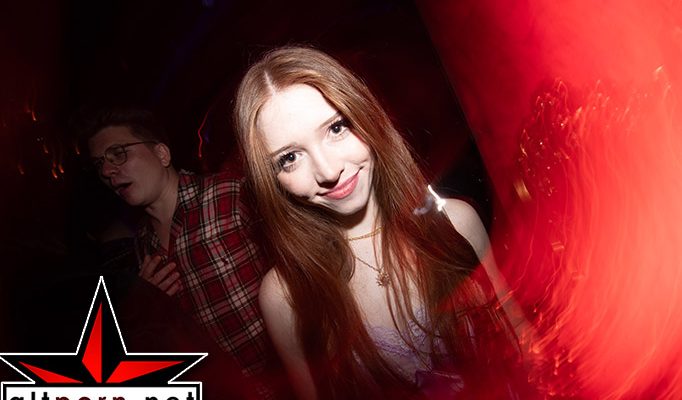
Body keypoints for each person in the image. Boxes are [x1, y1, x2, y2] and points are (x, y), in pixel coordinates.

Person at [234, 46, 532, 399]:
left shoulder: (456, 223)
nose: (328, 171)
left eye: (337, 128)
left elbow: (523, 343)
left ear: (367, 117)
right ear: (272, 181)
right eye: (290, 158)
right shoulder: (286, 296)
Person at [78, 108, 277, 396]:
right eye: (100, 164)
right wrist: (149, 303)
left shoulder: (229, 195)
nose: (107, 172)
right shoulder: (143, 246)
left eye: (118, 154)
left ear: (161, 154)